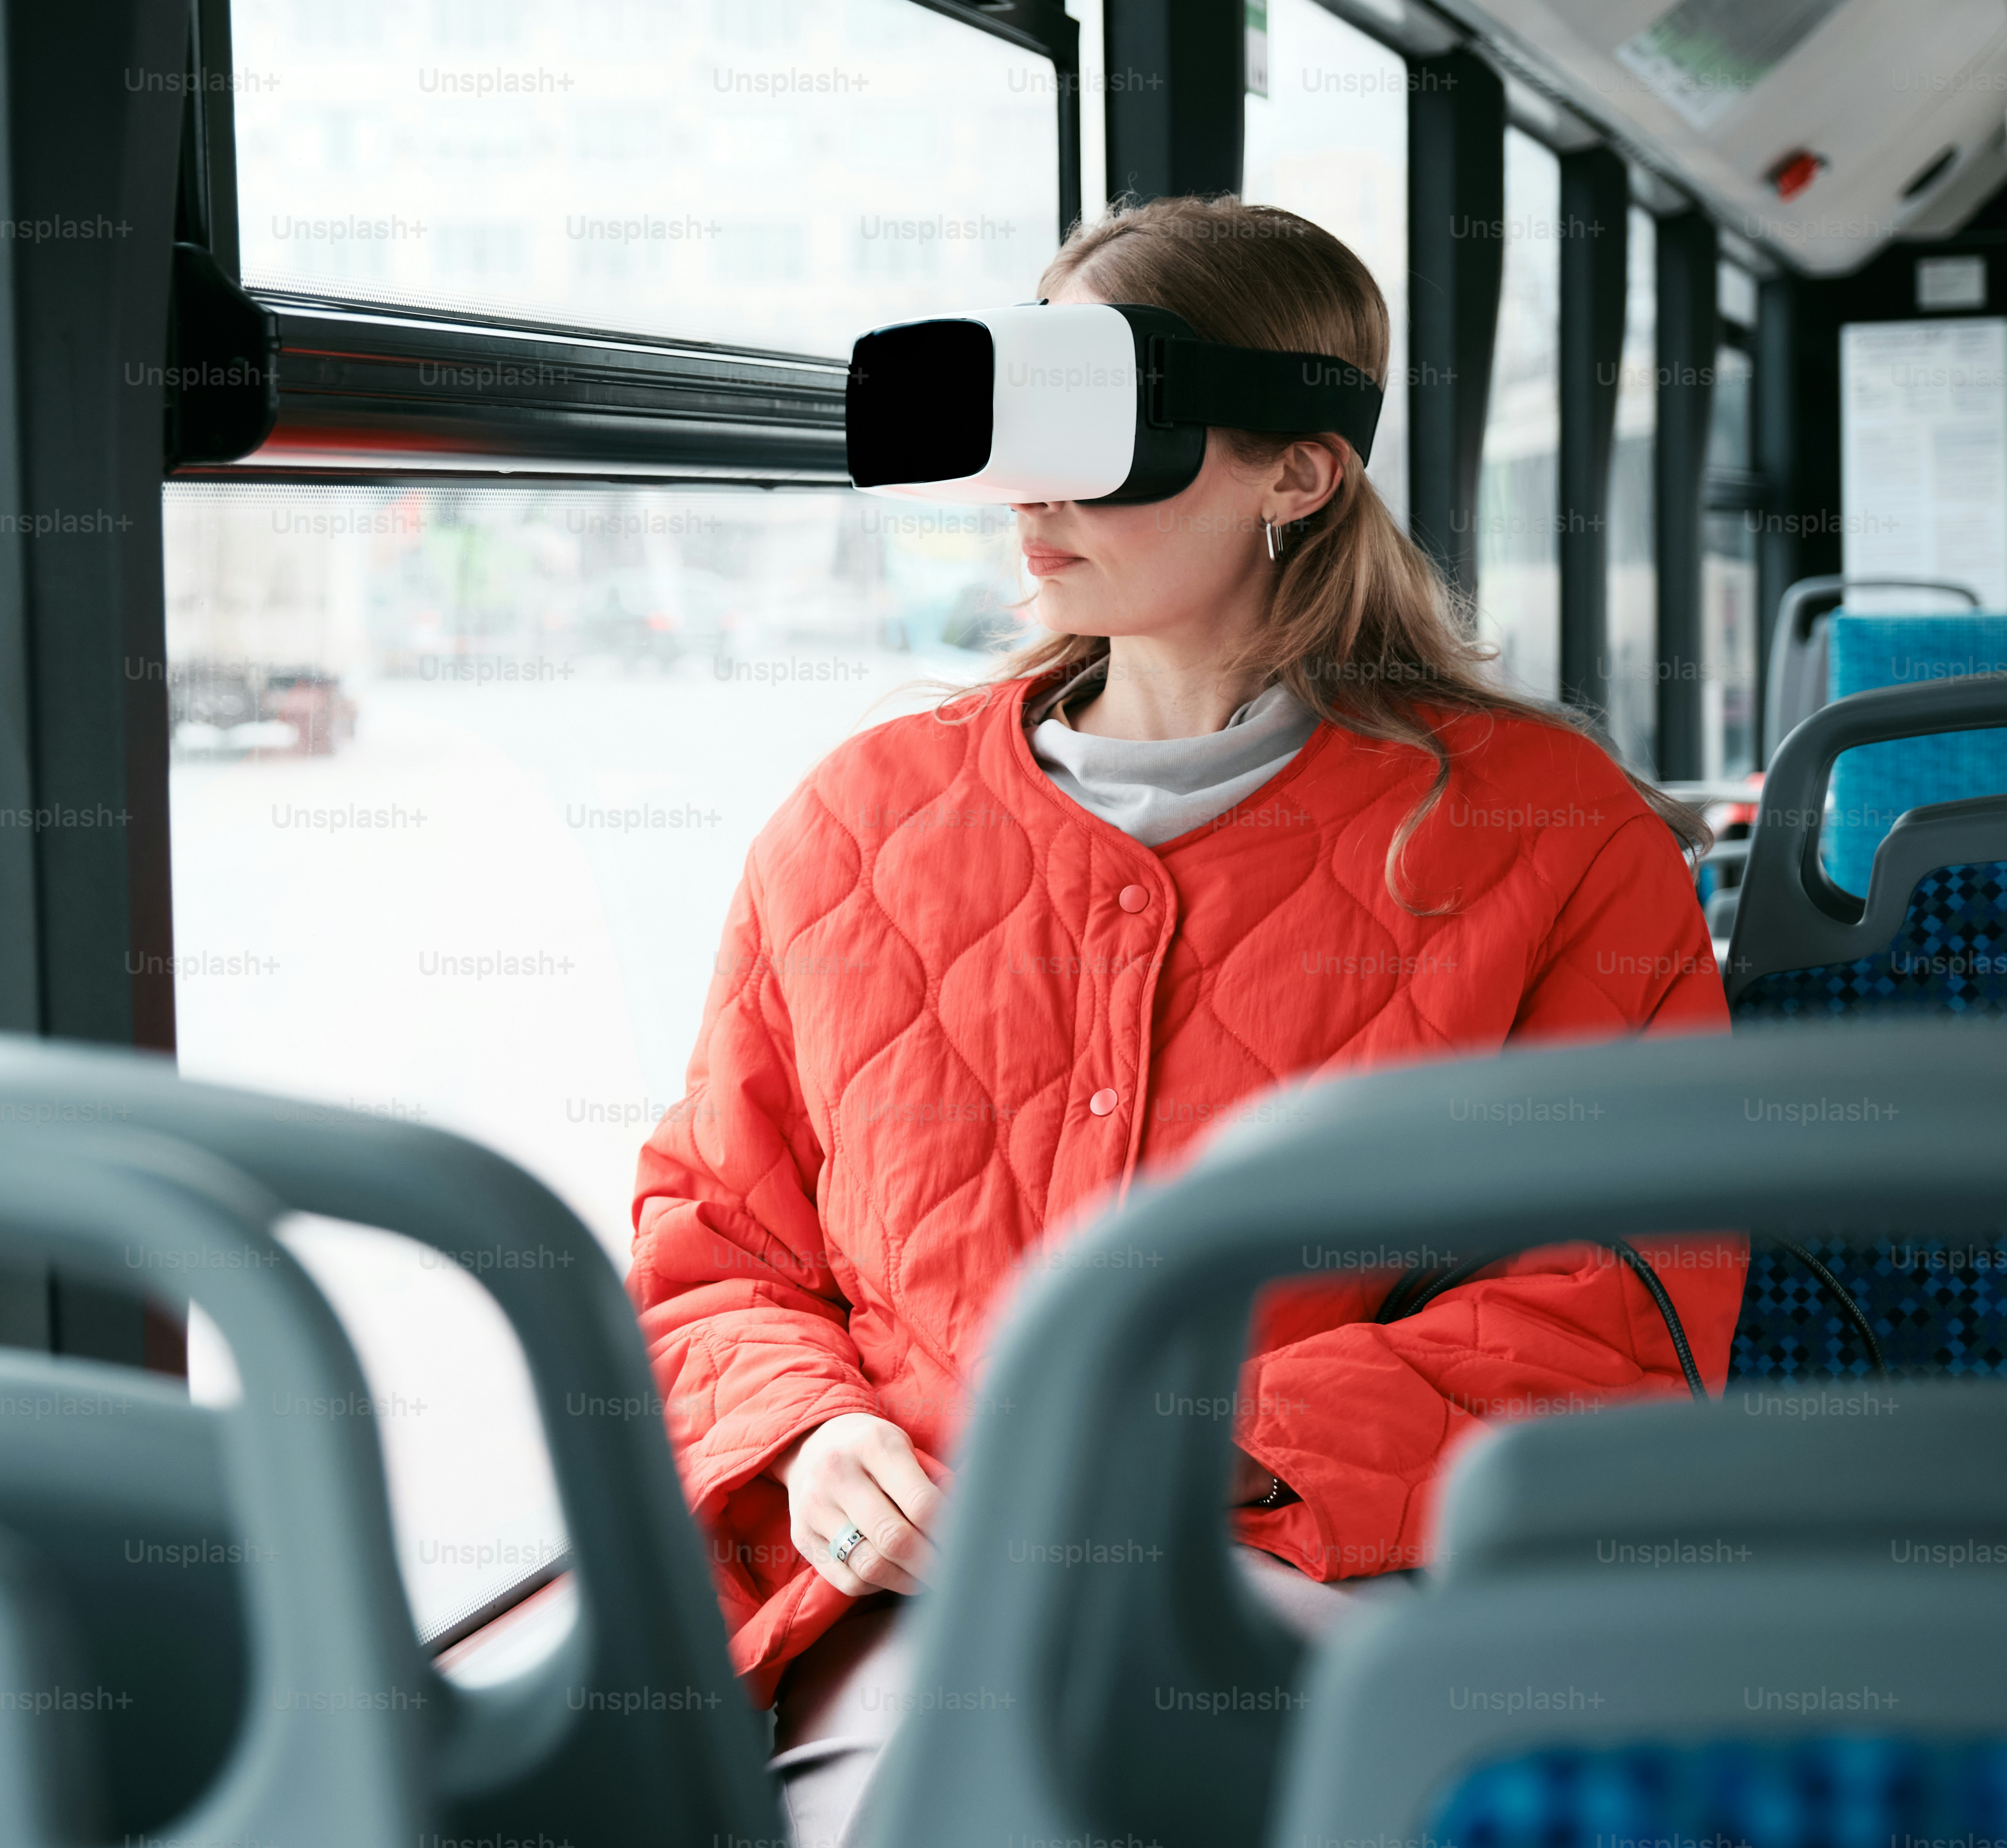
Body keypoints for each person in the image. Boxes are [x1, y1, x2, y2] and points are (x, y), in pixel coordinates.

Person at [626, 197, 1740, 1846]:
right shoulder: (853, 822)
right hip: (912, 1603)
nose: (1037, 496)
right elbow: (717, 1239)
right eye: (1025, 428)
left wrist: (1196, 1456)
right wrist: (812, 1432)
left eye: (1107, 430)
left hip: (1331, 1567)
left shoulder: (1552, 834)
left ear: (1303, 467)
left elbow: (1622, 1308)